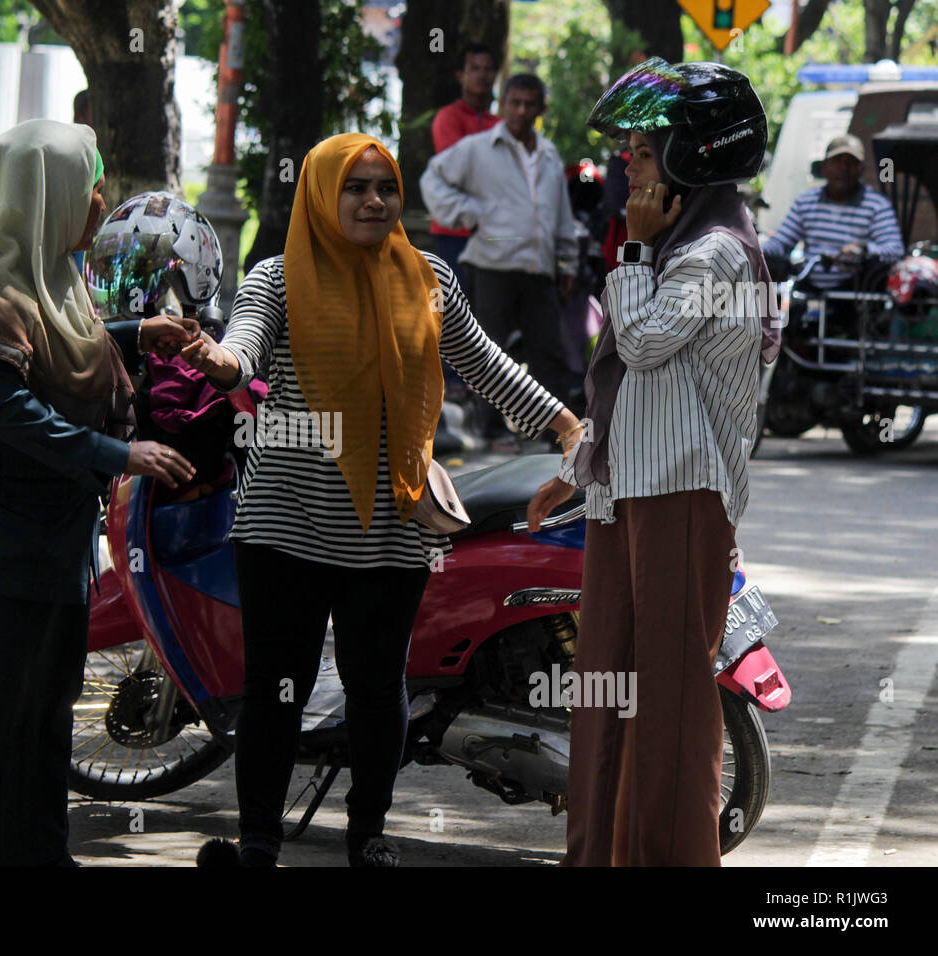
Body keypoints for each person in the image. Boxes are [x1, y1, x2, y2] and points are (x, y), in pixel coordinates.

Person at [181, 133, 584, 867]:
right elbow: (243, 345)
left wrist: (562, 422)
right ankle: (258, 841)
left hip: (390, 525)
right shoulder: (276, 278)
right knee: (276, 687)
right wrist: (219, 361)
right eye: (355, 186)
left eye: (385, 187)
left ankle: (368, 834)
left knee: (377, 687)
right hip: (284, 524)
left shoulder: (428, 278)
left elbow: (485, 363)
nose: (373, 200)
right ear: (321, 194)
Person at [0, 120, 198, 866]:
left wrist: (134, 335)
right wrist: (119, 452)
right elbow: (5, 411)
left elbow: (62, 354)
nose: (100, 201)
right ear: (48, 194)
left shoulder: (52, 277)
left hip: (41, 547)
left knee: (37, 723)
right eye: (89, 187)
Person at [528, 58, 780, 866]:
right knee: (604, 693)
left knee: (668, 702)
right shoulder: (677, 248)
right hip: (627, 492)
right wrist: (580, 463)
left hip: (682, 497)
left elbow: (639, 344)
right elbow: (635, 392)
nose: (628, 161)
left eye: (644, 146)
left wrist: (633, 253)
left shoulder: (716, 255)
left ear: (692, 157)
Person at [421, 73, 581, 439]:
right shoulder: (478, 148)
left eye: (529, 104)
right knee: (486, 351)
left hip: (539, 267)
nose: (522, 110)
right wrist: (467, 214)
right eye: (515, 102)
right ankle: (492, 430)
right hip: (491, 264)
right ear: (503, 104)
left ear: (541, 108)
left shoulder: (550, 154)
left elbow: (561, 215)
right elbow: (433, 179)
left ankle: (553, 434)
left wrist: (568, 261)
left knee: (548, 353)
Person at [761, 134, 904, 289]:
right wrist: (755, 249)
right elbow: (781, 243)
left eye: (851, 163)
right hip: (809, 290)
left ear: (860, 169)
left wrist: (864, 249)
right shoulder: (806, 201)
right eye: (837, 161)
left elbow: (895, 250)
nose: (844, 168)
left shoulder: (877, 206)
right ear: (824, 167)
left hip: (852, 296)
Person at [428, 42, 501, 283]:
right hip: (454, 231)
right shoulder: (447, 118)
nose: (482, 74)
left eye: (488, 69)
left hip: (493, 233)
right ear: (461, 75)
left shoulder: (501, 124)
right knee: (457, 309)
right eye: (474, 68)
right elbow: (457, 172)